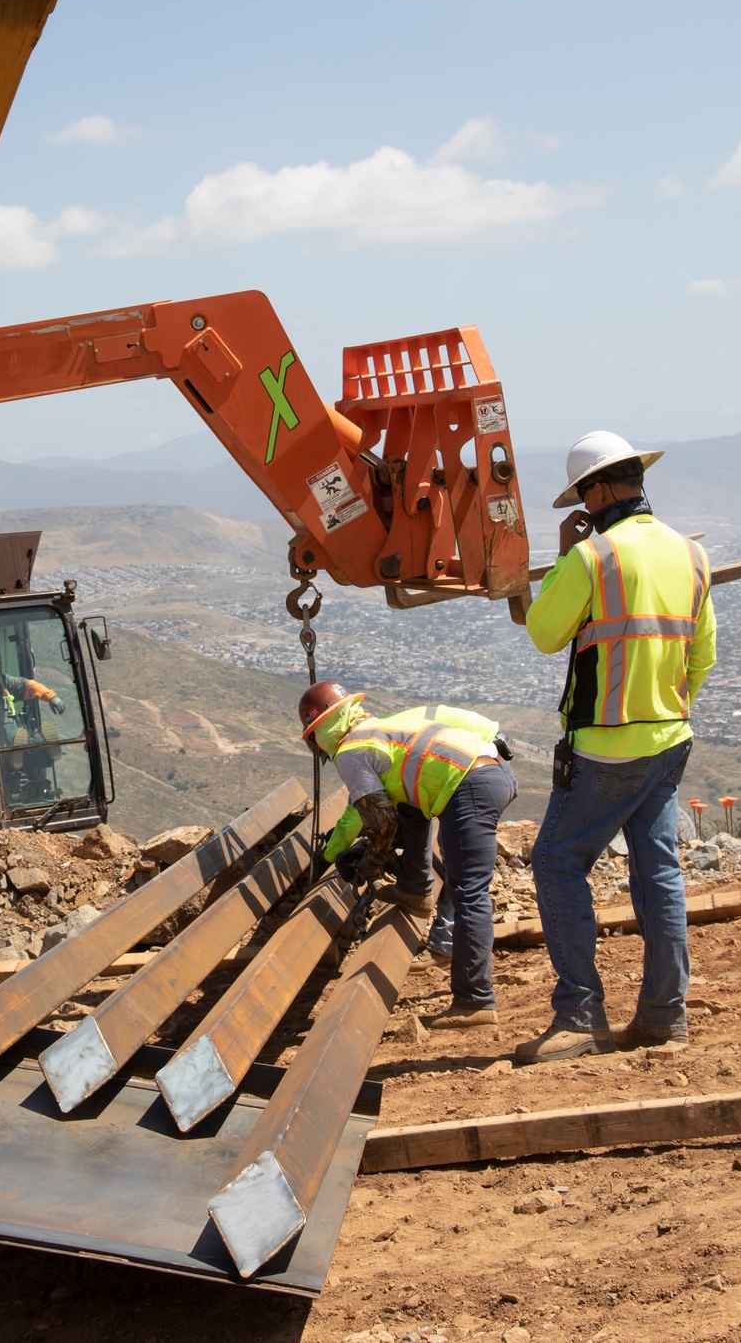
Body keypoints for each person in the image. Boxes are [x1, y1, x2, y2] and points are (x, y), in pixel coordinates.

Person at [515, 432, 715, 1064]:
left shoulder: (593, 558)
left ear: (597, 492)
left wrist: (565, 553)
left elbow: (544, 632)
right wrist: (661, 707)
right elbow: (701, 656)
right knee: (657, 872)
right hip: (670, 739)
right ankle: (664, 1014)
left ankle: (578, 1018)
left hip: (606, 747)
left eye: (581, 495)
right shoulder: (691, 555)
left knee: (555, 861)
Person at [300, 684, 517, 1029]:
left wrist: (368, 861)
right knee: (409, 809)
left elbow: (381, 821)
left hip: (469, 786)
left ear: (317, 735)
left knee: (468, 892)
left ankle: (475, 1001)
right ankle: (415, 889)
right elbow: (390, 810)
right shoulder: (378, 728)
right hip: (491, 770)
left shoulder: (350, 751)